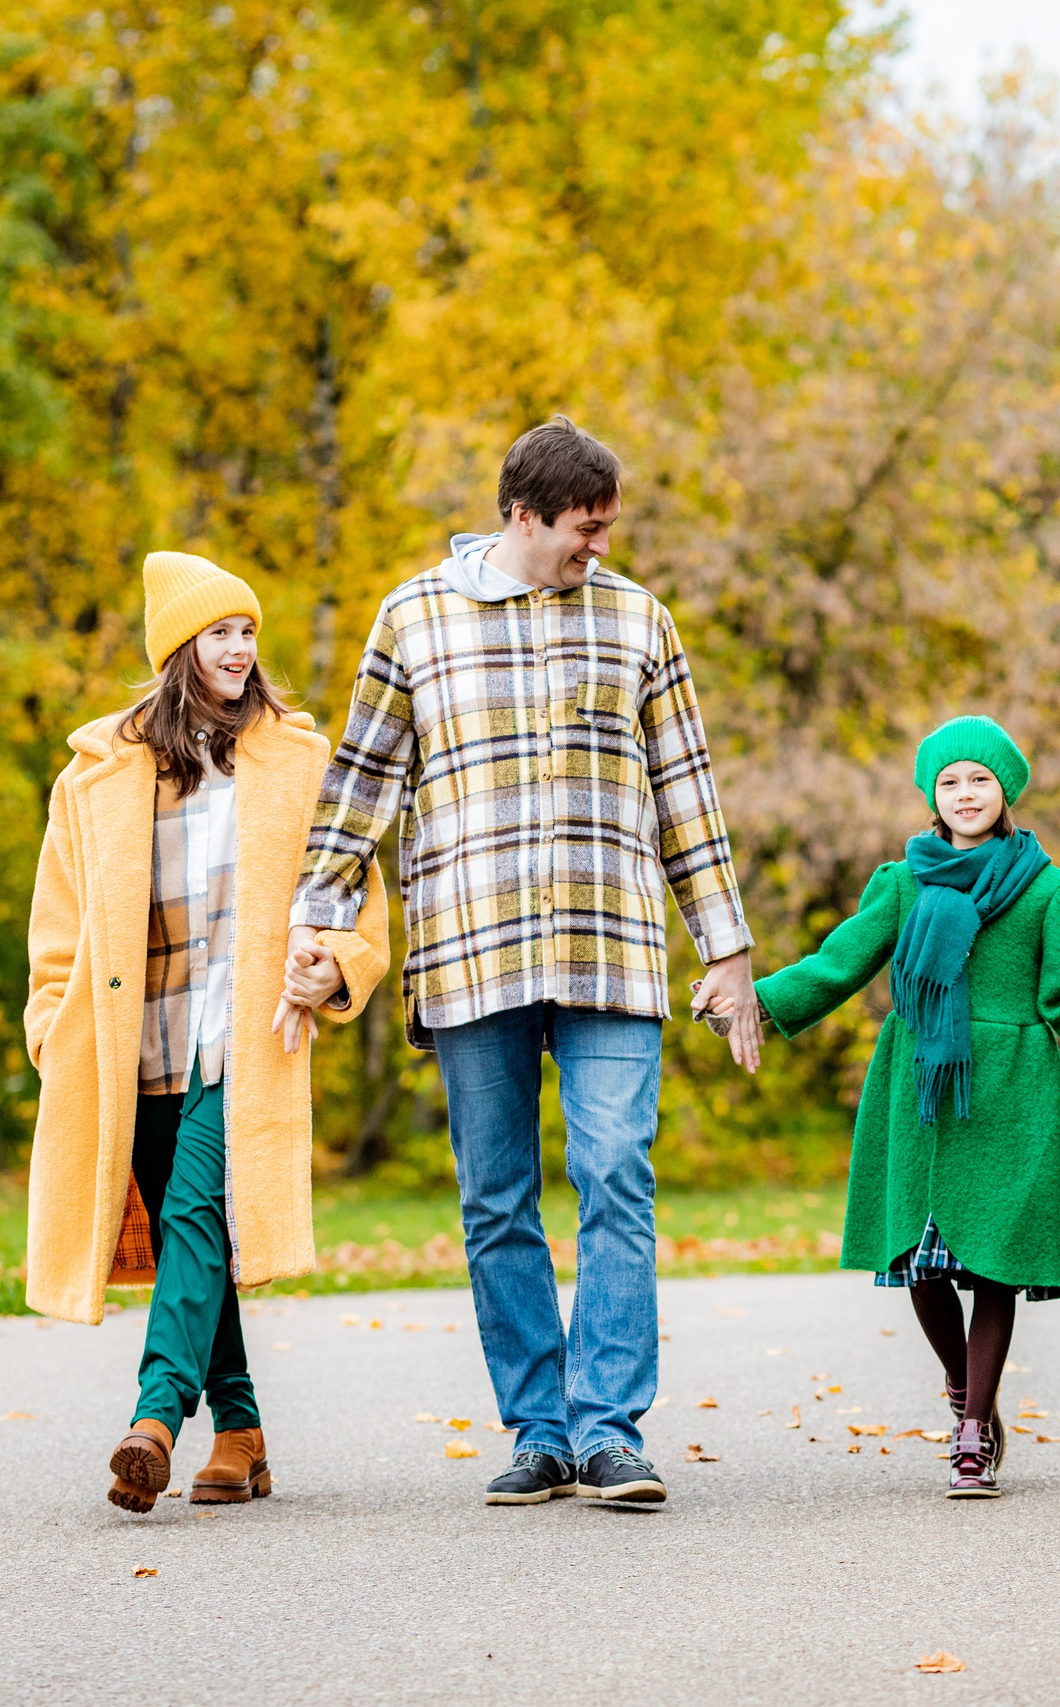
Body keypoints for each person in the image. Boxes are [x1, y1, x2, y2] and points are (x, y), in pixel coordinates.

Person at [284, 417, 758, 1508]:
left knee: (615, 1175)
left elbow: (685, 790)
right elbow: (359, 785)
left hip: (612, 947)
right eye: (581, 531)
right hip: (470, 950)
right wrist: (313, 926)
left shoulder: (639, 619)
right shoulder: (414, 617)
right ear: (522, 514)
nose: (597, 548)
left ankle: (606, 1430)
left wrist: (724, 950)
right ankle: (538, 1429)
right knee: (497, 1197)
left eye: (606, 530)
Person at [24, 551, 387, 1514]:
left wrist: (334, 964)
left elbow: (359, 901)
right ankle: (242, 1431)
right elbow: (58, 918)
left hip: (239, 1035)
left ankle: (153, 1419)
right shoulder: (99, 775)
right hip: (132, 1041)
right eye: (220, 632)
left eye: (248, 632)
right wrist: (48, 1021)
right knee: (199, 1236)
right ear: (179, 650)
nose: (239, 649)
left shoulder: (296, 762)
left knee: (192, 1210)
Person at [751, 718, 1060, 1498]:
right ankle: (962, 1385)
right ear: (931, 797)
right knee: (919, 1263)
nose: (966, 793)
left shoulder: (1048, 890)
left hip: (1009, 1094)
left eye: (980, 779)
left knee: (992, 1271)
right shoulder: (903, 881)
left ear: (1006, 789)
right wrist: (760, 1001)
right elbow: (840, 960)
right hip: (918, 1087)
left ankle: (973, 1432)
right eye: (950, 781)